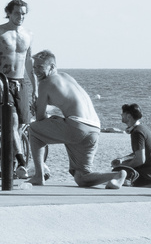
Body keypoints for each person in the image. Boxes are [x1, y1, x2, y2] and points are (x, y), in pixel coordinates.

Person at [26, 51, 127, 189]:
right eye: (34, 67)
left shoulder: (45, 83)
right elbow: (69, 102)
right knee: (82, 178)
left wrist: (38, 109)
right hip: (94, 128)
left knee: (34, 129)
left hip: (76, 126)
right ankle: (116, 175)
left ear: (52, 66)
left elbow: (40, 120)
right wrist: (49, 113)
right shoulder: (66, 77)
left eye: (40, 67)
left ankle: (38, 175)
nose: (36, 71)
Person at [0, 0, 36, 180]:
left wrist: (35, 88)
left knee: (20, 126)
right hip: (2, 81)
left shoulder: (28, 34)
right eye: (17, 13)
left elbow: (29, 62)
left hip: (21, 82)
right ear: (9, 12)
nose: (20, 17)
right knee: (11, 121)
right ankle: (21, 162)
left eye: (23, 14)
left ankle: (10, 165)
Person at [112, 104, 151, 188]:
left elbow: (140, 160)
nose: (121, 115)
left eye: (122, 114)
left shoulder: (137, 133)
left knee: (116, 173)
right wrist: (122, 159)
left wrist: (123, 167)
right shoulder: (143, 128)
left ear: (128, 116)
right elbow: (140, 152)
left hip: (148, 175)